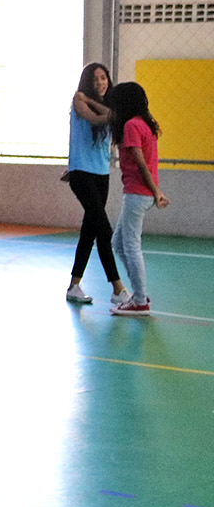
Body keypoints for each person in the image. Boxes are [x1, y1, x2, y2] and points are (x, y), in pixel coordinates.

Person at [64, 62, 128, 308]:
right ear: (86, 83)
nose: (100, 83)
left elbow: (114, 116)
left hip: (102, 174)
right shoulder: (79, 100)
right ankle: (118, 288)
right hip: (82, 173)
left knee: (89, 231)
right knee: (104, 230)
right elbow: (94, 118)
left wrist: (96, 101)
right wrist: (91, 101)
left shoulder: (101, 102)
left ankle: (74, 286)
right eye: (95, 79)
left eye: (103, 78)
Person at [109, 82, 169, 317]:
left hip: (138, 193)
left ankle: (140, 300)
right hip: (139, 192)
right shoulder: (144, 124)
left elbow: (141, 162)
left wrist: (156, 191)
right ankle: (138, 293)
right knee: (118, 243)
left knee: (131, 246)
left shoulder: (132, 125)